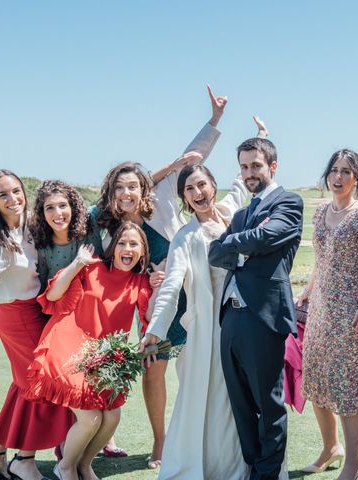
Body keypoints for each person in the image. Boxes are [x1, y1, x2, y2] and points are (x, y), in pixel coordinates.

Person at [90, 85, 228, 464]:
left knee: (199, 365)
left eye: (132, 186)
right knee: (154, 370)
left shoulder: (164, 195)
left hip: (193, 291)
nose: (127, 194)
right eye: (120, 189)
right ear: (113, 194)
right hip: (152, 302)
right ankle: (161, 441)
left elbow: (193, 160)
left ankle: (200, 434)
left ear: (143, 187)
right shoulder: (108, 224)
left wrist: (214, 120)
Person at [138, 116, 266, 480]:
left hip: (242, 324)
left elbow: (244, 183)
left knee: (236, 398)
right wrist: (155, 329)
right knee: (204, 397)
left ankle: (235, 465)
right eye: (189, 189)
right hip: (208, 331)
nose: (197, 192)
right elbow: (171, 285)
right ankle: (199, 465)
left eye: (201, 184)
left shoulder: (231, 217)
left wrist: (260, 138)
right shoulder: (185, 237)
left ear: (213, 186)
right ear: (184, 198)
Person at [0, 170, 74, 480]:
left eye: (16, 191)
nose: (13, 198)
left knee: (24, 384)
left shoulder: (29, 225)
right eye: (3, 195)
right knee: (40, 382)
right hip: (14, 316)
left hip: (33, 310)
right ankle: (23, 460)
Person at [25, 222, 154, 480]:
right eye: (122, 243)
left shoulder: (140, 282)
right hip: (69, 347)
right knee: (91, 417)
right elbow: (53, 296)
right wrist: (77, 263)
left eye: (134, 244)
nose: (127, 249)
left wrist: (158, 283)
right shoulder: (92, 268)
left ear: (142, 251)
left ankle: (84, 464)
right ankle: (65, 467)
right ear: (113, 246)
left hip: (103, 359)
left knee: (112, 416)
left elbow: (148, 316)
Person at [209, 137, 303, 480]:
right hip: (231, 317)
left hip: (264, 317)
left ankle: (267, 474)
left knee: (269, 403)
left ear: (272, 166)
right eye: (244, 166)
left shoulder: (288, 202)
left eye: (256, 165)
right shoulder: (242, 213)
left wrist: (237, 244)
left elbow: (267, 237)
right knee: (241, 403)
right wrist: (244, 244)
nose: (249, 173)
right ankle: (253, 467)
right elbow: (214, 254)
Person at [295, 149, 358, 480]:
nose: (338, 176)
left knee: (345, 387)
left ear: (356, 176)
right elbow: (321, 259)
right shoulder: (319, 213)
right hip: (318, 309)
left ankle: (353, 461)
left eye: (346, 171)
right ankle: (330, 448)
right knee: (316, 382)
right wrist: (306, 289)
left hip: (348, 310)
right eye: (334, 170)